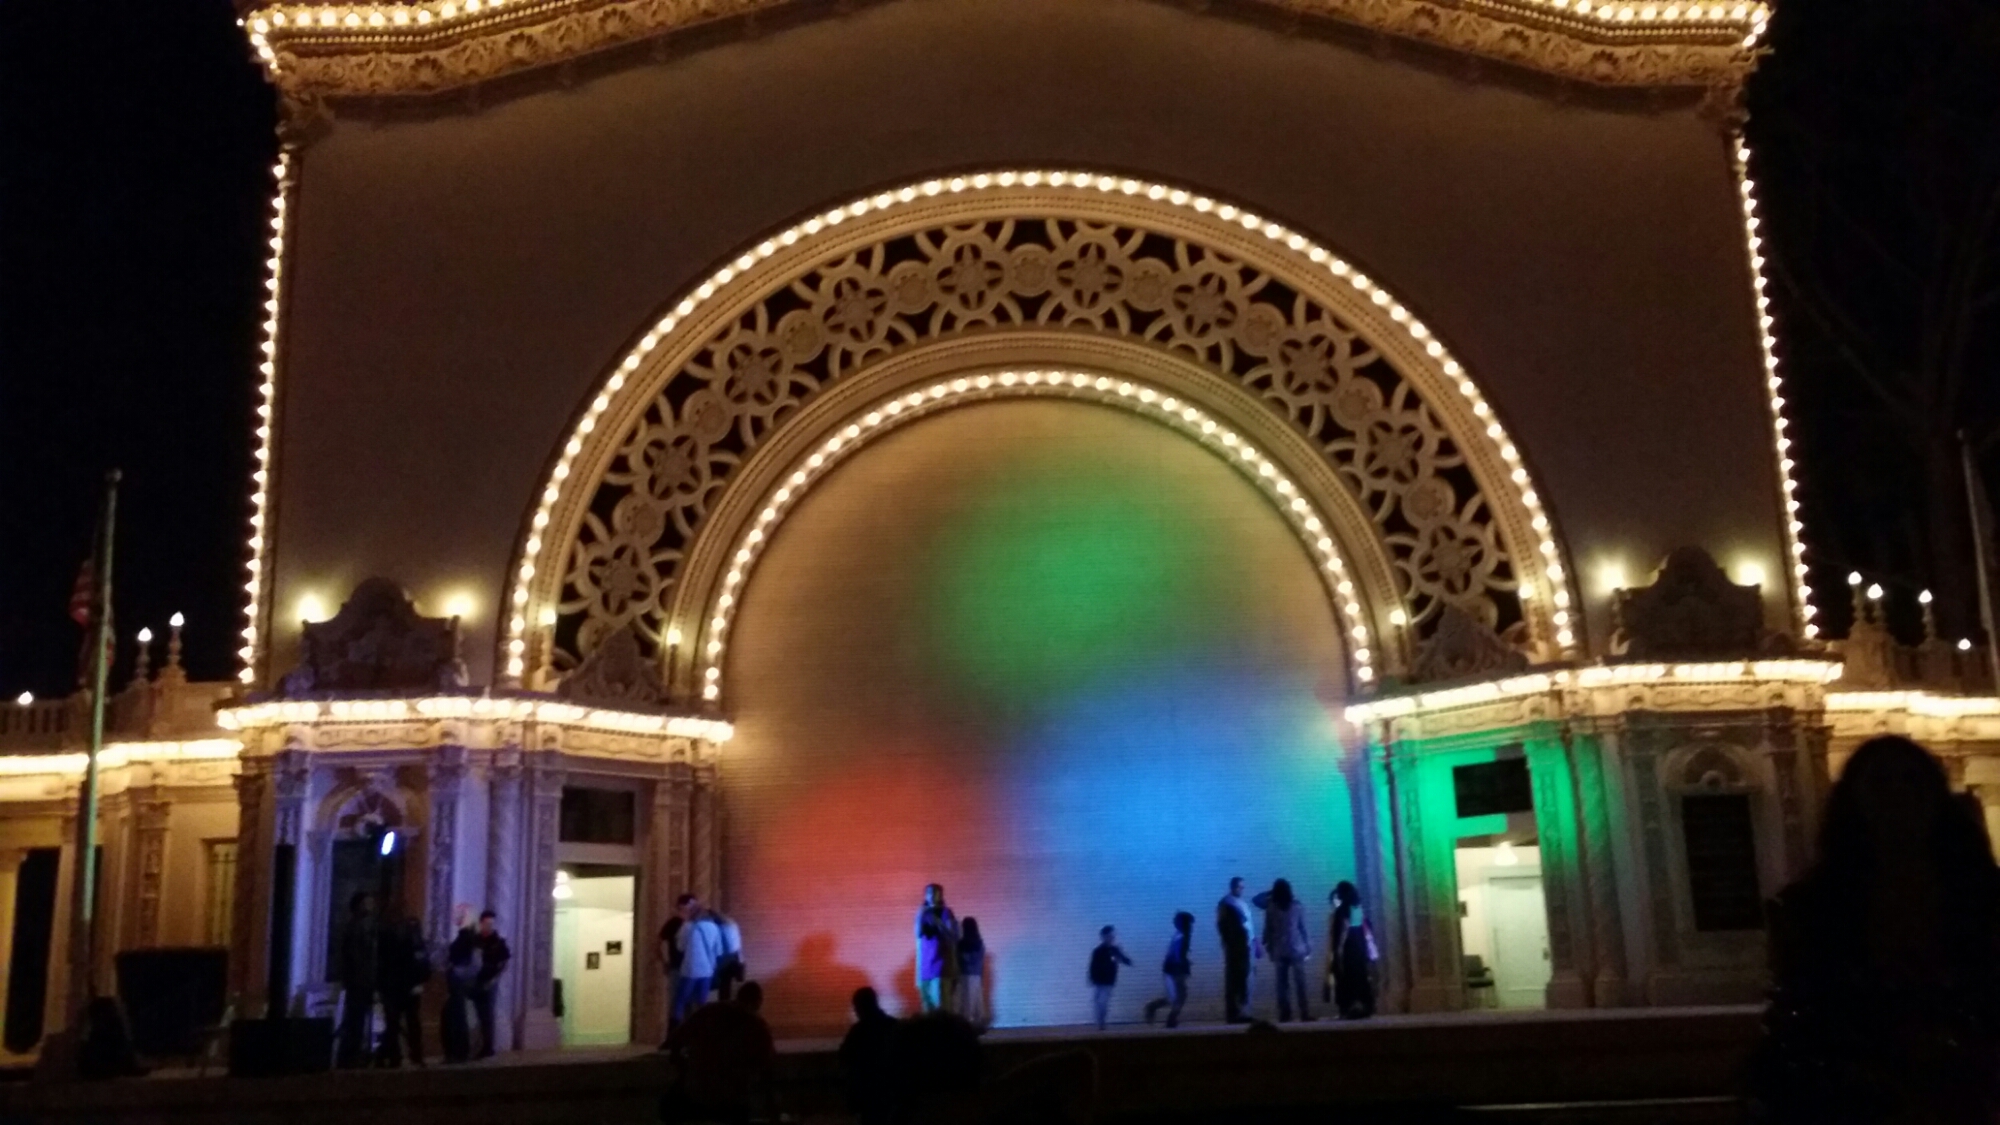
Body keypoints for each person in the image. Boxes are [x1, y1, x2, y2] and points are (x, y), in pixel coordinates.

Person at [1751, 736, 2000, 1125]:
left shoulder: (1982, 898)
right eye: (1882, 783)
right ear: (1855, 801)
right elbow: (1800, 1012)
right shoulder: (1813, 906)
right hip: (1858, 1099)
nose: (1898, 798)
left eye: (1911, 782)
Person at [663, 981, 777, 1125]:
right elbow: (766, 1070)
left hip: (696, 1096)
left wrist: (685, 1069)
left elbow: (676, 1040)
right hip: (732, 1102)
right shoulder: (758, 1027)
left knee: (668, 1107)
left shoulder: (708, 1012)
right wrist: (772, 1110)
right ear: (759, 1002)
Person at [376, 913, 433, 1066]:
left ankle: (397, 1056)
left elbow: (421, 965)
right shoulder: (413, 943)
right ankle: (410, 1055)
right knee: (407, 1023)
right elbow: (422, 964)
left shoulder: (390, 942)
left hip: (398, 987)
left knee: (397, 1024)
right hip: (404, 987)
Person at [1253, 879, 1313, 1022]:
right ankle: (1304, 1013)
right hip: (1296, 949)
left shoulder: (1271, 908)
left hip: (1279, 950)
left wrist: (1266, 945)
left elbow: (1267, 928)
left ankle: (1285, 1014)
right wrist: (1308, 946)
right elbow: (1302, 928)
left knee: (1282, 984)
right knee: (1300, 983)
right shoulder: (1297, 906)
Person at [838, 987, 900, 1125]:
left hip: (868, 1098)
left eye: (856, 1007)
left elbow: (844, 1057)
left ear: (860, 1007)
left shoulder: (858, 1032)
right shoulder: (895, 1027)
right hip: (893, 1096)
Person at [335, 892, 379, 1069]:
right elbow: (356, 957)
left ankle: (355, 1053)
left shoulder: (366, 927)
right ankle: (349, 1055)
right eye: (366, 903)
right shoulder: (355, 927)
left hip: (363, 981)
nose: (370, 906)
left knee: (359, 1019)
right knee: (355, 1019)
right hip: (359, 981)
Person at [1328, 881, 1378, 1019]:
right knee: (1360, 978)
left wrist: (1335, 954)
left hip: (1346, 951)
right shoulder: (1357, 909)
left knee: (1345, 980)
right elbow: (1364, 929)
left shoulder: (1341, 911)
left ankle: (1349, 1007)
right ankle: (1364, 1006)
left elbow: (1338, 935)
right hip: (1359, 950)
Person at [675, 894, 725, 1029]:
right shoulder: (714, 928)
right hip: (707, 971)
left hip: (690, 969)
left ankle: (677, 1032)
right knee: (702, 1003)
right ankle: (700, 1031)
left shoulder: (687, 926)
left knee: (681, 1001)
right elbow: (719, 951)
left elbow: (680, 947)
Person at [469, 909, 511, 1059]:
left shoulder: (498, 942)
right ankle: (475, 1045)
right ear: (481, 923)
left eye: (492, 923)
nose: (490, 926)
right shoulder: (475, 940)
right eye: (487, 923)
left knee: (487, 1014)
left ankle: (488, 1046)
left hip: (489, 982)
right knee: (476, 1014)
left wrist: (494, 980)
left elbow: (504, 962)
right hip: (474, 981)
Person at [914, 884, 960, 1014]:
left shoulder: (946, 912)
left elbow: (953, 935)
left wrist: (938, 921)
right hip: (925, 966)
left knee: (942, 1005)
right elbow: (918, 934)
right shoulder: (923, 912)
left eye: (935, 893)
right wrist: (920, 915)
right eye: (929, 893)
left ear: (940, 895)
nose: (931, 896)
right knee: (927, 1006)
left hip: (941, 965)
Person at [1143, 911, 1195, 1029]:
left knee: (1176, 997)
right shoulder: (1182, 937)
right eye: (1189, 924)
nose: (1191, 927)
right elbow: (1176, 954)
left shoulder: (1180, 936)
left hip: (1173, 970)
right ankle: (1169, 1019)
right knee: (1178, 997)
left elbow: (1177, 954)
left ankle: (1158, 1011)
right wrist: (1182, 964)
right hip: (1174, 971)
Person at [1216, 876, 1255, 1023]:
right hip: (1235, 947)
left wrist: (1254, 942)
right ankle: (1233, 1013)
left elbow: (1249, 925)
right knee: (1235, 979)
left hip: (1245, 945)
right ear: (1232, 887)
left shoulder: (1242, 904)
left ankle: (1243, 1012)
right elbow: (1222, 926)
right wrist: (1228, 943)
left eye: (1243, 887)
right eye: (1239, 887)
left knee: (1244, 978)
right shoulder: (1226, 903)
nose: (1241, 890)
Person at [442, 913, 478, 1063]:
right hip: (456, 983)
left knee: (456, 1018)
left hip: (458, 983)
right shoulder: (467, 939)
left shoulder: (467, 939)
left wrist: (455, 970)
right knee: (455, 1017)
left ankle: (458, 1052)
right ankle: (458, 1052)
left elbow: (470, 963)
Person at [1087, 925, 1133, 1031]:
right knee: (1098, 1002)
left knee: (1103, 1002)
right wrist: (1092, 978)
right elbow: (1093, 965)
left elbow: (1123, 958)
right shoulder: (1098, 951)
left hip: (1108, 981)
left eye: (1112, 936)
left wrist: (1128, 961)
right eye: (1109, 936)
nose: (1111, 938)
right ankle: (1100, 1022)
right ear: (1103, 937)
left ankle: (1101, 1022)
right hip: (1099, 980)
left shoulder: (1115, 950)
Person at [657, 898, 687, 1046]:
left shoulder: (690, 924)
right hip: (678, 968)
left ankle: (679, 1038)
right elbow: (658, 942)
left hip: (686, 968)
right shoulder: (675, 923)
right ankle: (673, 1038)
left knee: (681, 1002)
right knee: (677, 1002)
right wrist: (664, 962)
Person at [956, 917, 988, 1029]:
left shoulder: (962, 944)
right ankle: (978, 1023)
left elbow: (961, 960)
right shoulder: (979, 942)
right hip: (977, 975)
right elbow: (981, 959)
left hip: (965, 975)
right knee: (976, 1001)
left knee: (967, 1002)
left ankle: (968, 1025)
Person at [711, 910, 746, 1003]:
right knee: (733, 985)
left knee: (725, 986)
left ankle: (725, 1004)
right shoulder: (732, 925)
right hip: (737, 960)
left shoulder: (724, 927)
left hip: (730, 961)